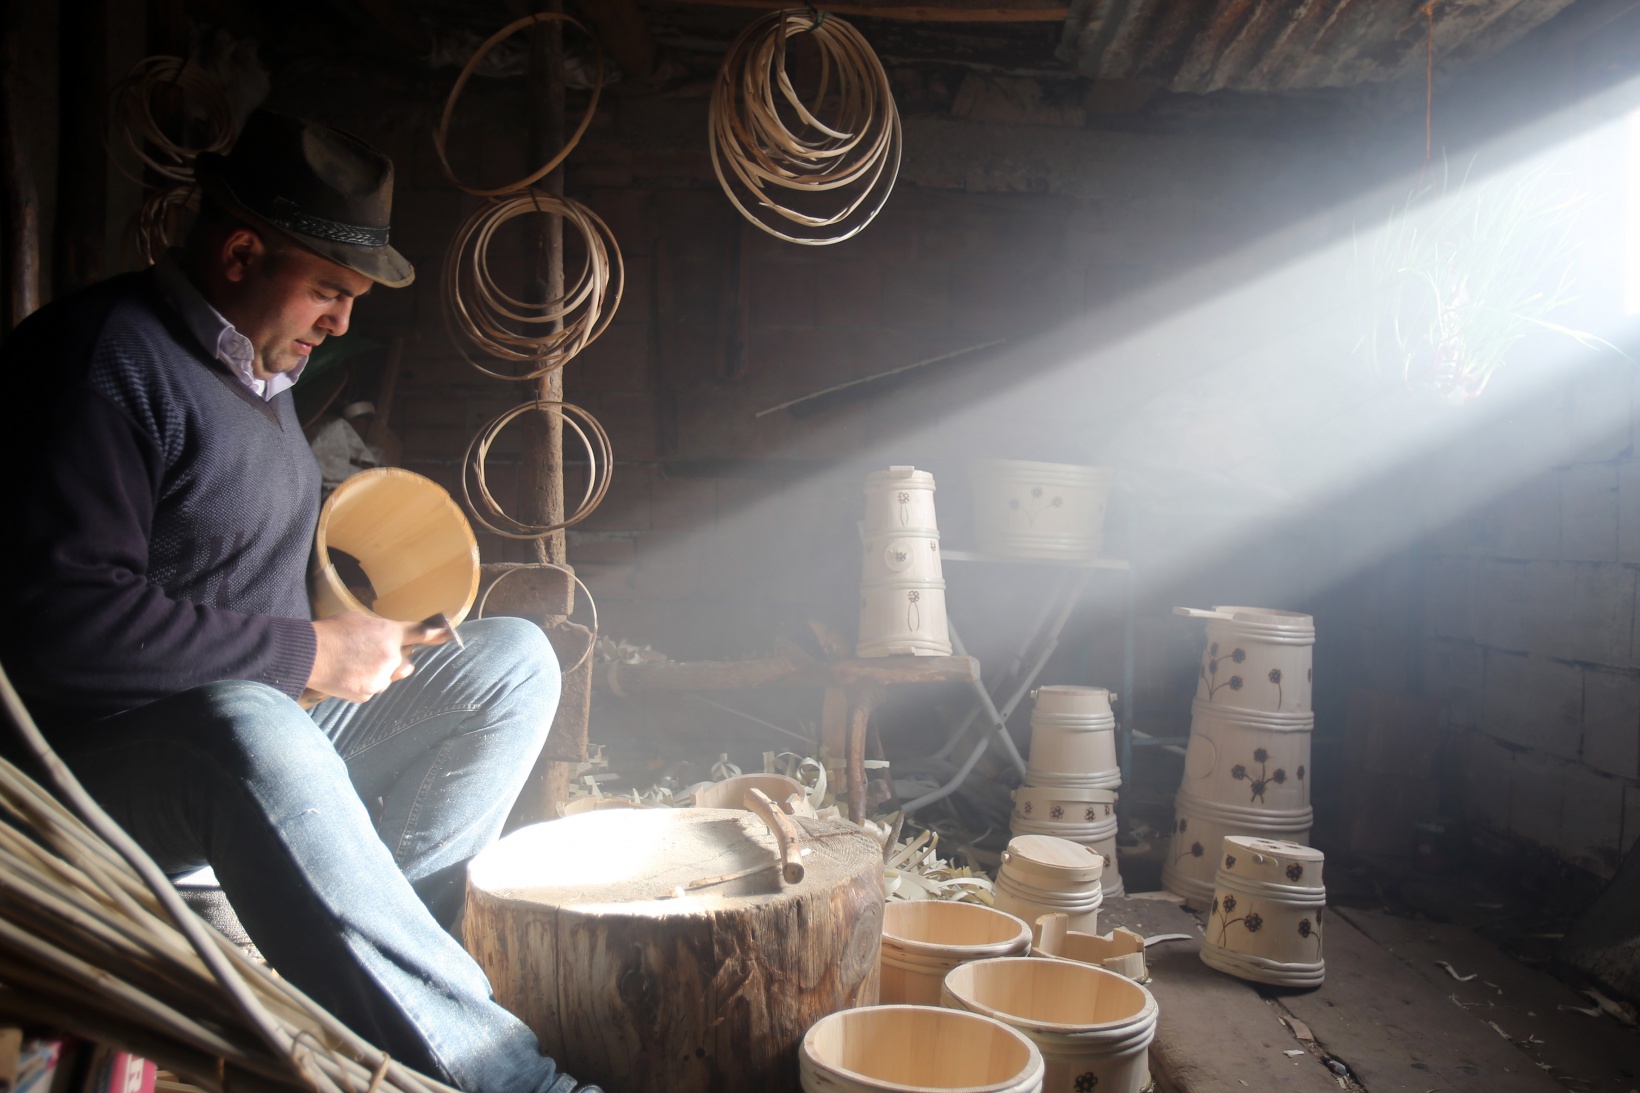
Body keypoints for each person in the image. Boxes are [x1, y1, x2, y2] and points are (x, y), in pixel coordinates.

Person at [0, 111, 596, 1093]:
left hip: (257, 735)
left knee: (511, 662)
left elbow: (221, 557)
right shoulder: (100, 361)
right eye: (329, 290)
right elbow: (62, 624)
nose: (342, 323)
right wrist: (311, 652)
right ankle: (507, 1080)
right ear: (240, 253)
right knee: (251, 726)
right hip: (100, 770)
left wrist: (353, 628)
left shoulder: (257, 370)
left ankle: (378, 985)